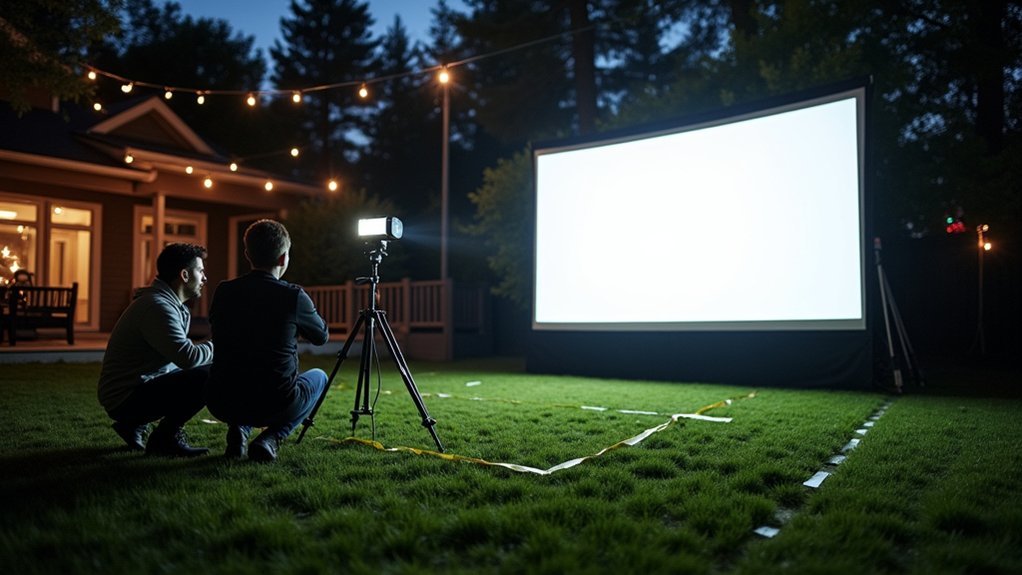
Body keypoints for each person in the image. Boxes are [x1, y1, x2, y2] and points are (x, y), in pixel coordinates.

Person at [206, 219, 329, 462]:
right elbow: (321, 337)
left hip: (222, 399)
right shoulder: (292, 296)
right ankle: (272, 437)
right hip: (275, 403)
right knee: (320, 377)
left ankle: (239, 429)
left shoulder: (224, 291)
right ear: (283, 258)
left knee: (243, 374)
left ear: (247, 254)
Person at [98, 243, 213, 456]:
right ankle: (165, 438)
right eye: (201, 271)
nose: (205, 278)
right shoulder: (158, 307)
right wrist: (222, 342)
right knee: (209, 375)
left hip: (136, 389)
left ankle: (132, 425)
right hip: (125, 398)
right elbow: (188, 358)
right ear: (185, 275)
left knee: (203, 370)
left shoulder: (168, 304)